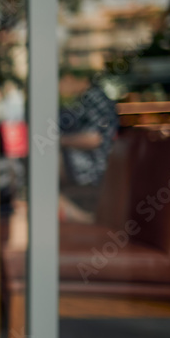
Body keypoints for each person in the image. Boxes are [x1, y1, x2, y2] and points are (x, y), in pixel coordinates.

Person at [57, 70, 119, 223]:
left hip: (93, 173)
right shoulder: (84, 100)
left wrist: (60, 140)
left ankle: (88, 222)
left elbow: (94, 139)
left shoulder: (95, 99)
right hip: (83, 174)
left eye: (58, 83)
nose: (58, 88)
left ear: (69, 77)